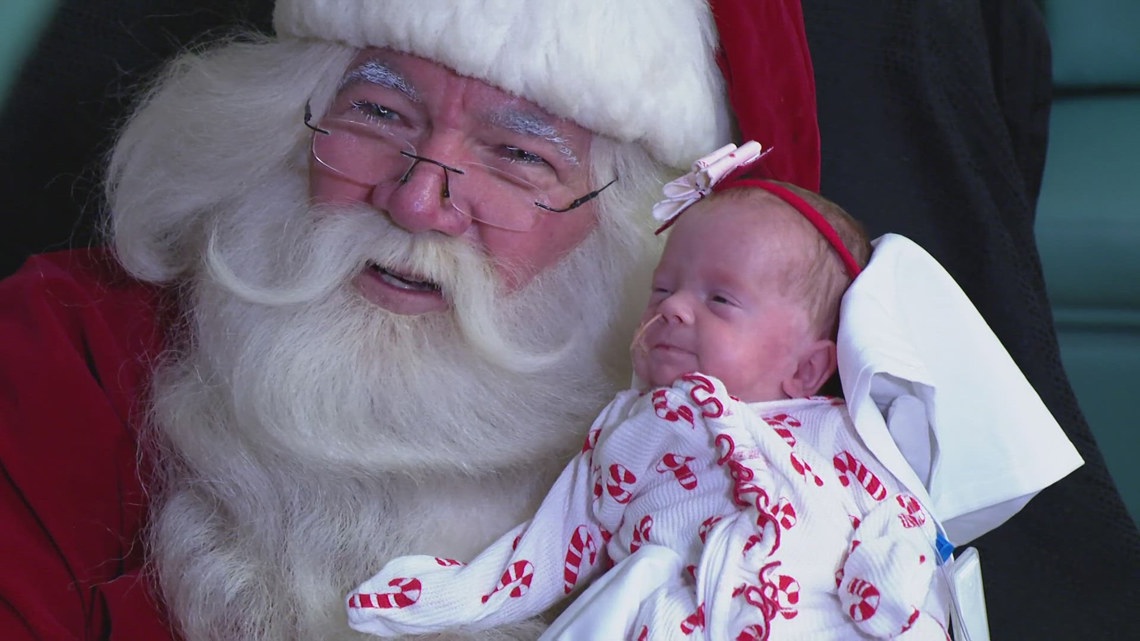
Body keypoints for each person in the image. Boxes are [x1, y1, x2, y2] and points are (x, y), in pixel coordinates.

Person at [3, 1, 1140, 640]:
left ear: (633, 237)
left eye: (517, 154)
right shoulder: (71, 345)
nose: (417, 196)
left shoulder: (742, 452)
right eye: (377, 109)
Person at [346, 146, 950, 640]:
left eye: (720, 300)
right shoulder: (629, 430)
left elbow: (903, 522)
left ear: (807, 368)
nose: (676, 311)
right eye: (663, 291)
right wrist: (456, 597)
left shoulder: (836, 434)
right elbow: (555, 543)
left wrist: (888, 585)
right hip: (664, 611)